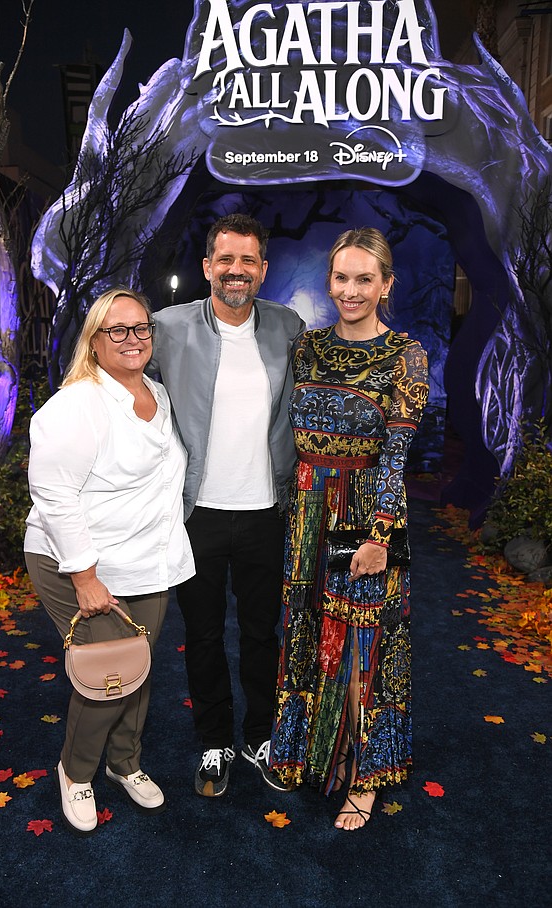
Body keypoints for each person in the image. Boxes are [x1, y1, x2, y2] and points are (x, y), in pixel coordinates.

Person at [268, 227, 429, 830]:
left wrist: (379, 536)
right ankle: (306, 754)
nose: (351, 290)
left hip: (363, 511)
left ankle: (365, 776)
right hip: (307, 507)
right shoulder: (306, 347)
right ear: (328, 280)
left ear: (386, 284)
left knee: (362, 642)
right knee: (308, 629)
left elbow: (395, 457)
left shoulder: (405, 356)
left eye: (365, 279)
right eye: (342, 277)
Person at [24, 287, 194, 834]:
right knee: (105, 676)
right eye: (116, 330)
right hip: (78, 564)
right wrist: (86, 577)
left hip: (147, 560)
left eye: (141, 328)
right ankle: (75, 774)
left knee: (136, 673)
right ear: (94, 342)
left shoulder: (160, 396)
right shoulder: (77, 405)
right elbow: (53, 495)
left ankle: (125, 764)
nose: (132, 339)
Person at [149, 213, 305, 797]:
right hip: (198, 516)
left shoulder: (288, 327)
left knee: (263, 633)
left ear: (263, 270)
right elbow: (121, 372)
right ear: (208, 266)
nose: (235, 271)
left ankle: (259, 735)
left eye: (248, 261)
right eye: (225, 259)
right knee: (205, 633)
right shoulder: (167, 327)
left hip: (267, 511)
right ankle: (214, 739)